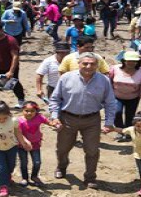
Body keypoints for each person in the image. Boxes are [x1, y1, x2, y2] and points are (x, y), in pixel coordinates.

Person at [49, 53, 117, 189]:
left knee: (92, 150)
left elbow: (110, 102)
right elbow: (55, 99)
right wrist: (55, 117)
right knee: (62, 148)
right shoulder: (66, 78)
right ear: (78, 63)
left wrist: (109, 122)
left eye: (92, 64)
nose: (88, 66)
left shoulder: (104, 80)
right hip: (68, 119)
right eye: (85, 63)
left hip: (92, 120)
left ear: (97, 65)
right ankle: (61, 167)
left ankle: (90, 177)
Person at [112, 113, 141, 197]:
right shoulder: (131, 130)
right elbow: (122, 130)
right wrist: (112, 129)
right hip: (138, 154)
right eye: (138, 126)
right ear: (134, 125)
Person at [108, 51, 141, 141]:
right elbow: (109, 81)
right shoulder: (115, 69)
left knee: (130, 115)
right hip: (116, 96)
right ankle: (120, 130)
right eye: (129, 61)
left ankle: (128, 132)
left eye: (134, 61)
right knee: (117, 112)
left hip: (133, 97)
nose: (131, 63)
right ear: (124, 61)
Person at [16, 101, 56, 186]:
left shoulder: (39, 117)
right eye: (26, 110)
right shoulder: (19, 121)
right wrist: (24, 142)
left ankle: (34, 176)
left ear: (36, 111)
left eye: (32, 111)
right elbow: (18, 133)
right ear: (22, 110)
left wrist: (54, 124)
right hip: (22, 145)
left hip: (35, 144)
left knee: (37, 162)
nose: (29, 113)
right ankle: (25, 178)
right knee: (23, 162)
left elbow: (48, 122)